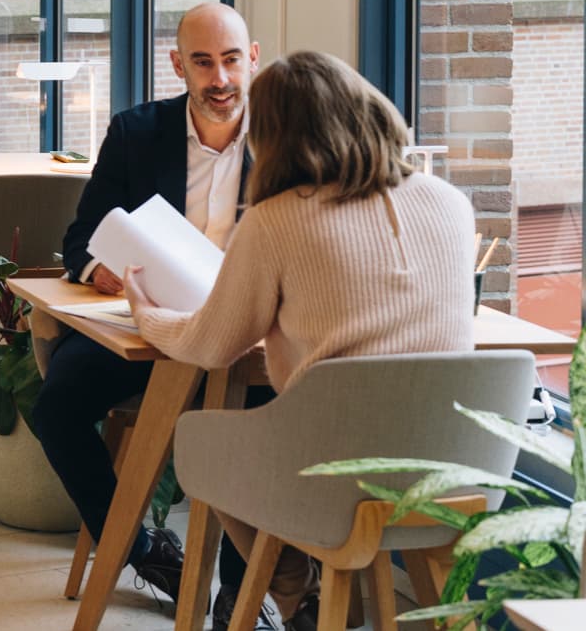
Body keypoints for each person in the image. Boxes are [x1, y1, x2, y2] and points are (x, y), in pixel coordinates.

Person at [129, 51, 474, 628]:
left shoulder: (277, 221)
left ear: (273, 138)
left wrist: (146, 315)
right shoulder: (451, 204)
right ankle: (311, 598)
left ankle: (293, 592)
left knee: (198, 437)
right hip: (453, 471)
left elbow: (212, 346)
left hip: (332, 480)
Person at [33, 1, 264, 628]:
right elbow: (81, 236)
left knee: (270, 423)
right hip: (149, 331)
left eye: (231, 61)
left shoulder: (286, 139)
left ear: (253, 61)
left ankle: (243, 599)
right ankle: (139, 550)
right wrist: (98, 267)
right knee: (56, 405)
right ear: (178, 66)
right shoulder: (137, 133)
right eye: (203, 62)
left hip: (247, 339)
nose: (220, 79)